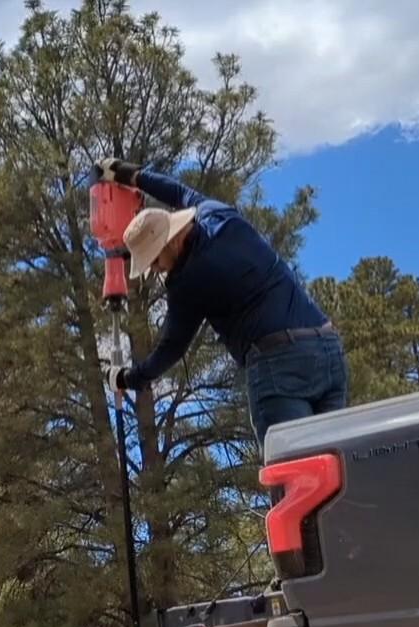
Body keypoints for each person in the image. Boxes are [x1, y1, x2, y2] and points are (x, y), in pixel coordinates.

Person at [97, 158, 348, 444]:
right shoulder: (216, 215)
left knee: (295, 477)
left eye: (154, 261)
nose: (156, 270)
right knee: (333, 474)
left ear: (173, 241)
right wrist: (132, 175)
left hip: (279, 367)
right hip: (327, 349)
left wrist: (127, 379)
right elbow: (179, 192)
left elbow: (170, 349)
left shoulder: (188, 281)